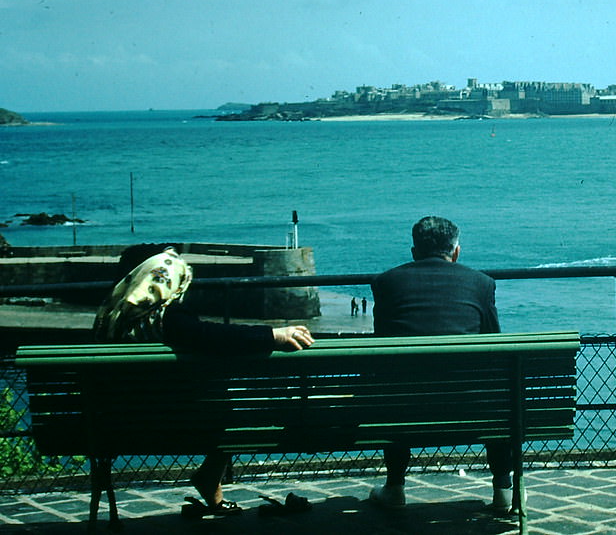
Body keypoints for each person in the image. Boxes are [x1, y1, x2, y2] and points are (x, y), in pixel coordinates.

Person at [93, 245, 314, 517]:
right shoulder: (166, 320)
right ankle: (210, 478)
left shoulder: (108, 321)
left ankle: (210, 482)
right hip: (178, 422)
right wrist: (273, 336)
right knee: (234, 408)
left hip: (114, 424)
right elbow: (208, 336)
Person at [368, 216, 512, 512]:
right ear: (456, 252)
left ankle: (395, 486)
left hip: (404, 409)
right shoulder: (482, 283)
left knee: (393, 388)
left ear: (413, 252)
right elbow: (493, 343)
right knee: (498, 395)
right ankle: (503, 491)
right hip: (472, 407)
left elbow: (380, 343)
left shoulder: (386, 283)